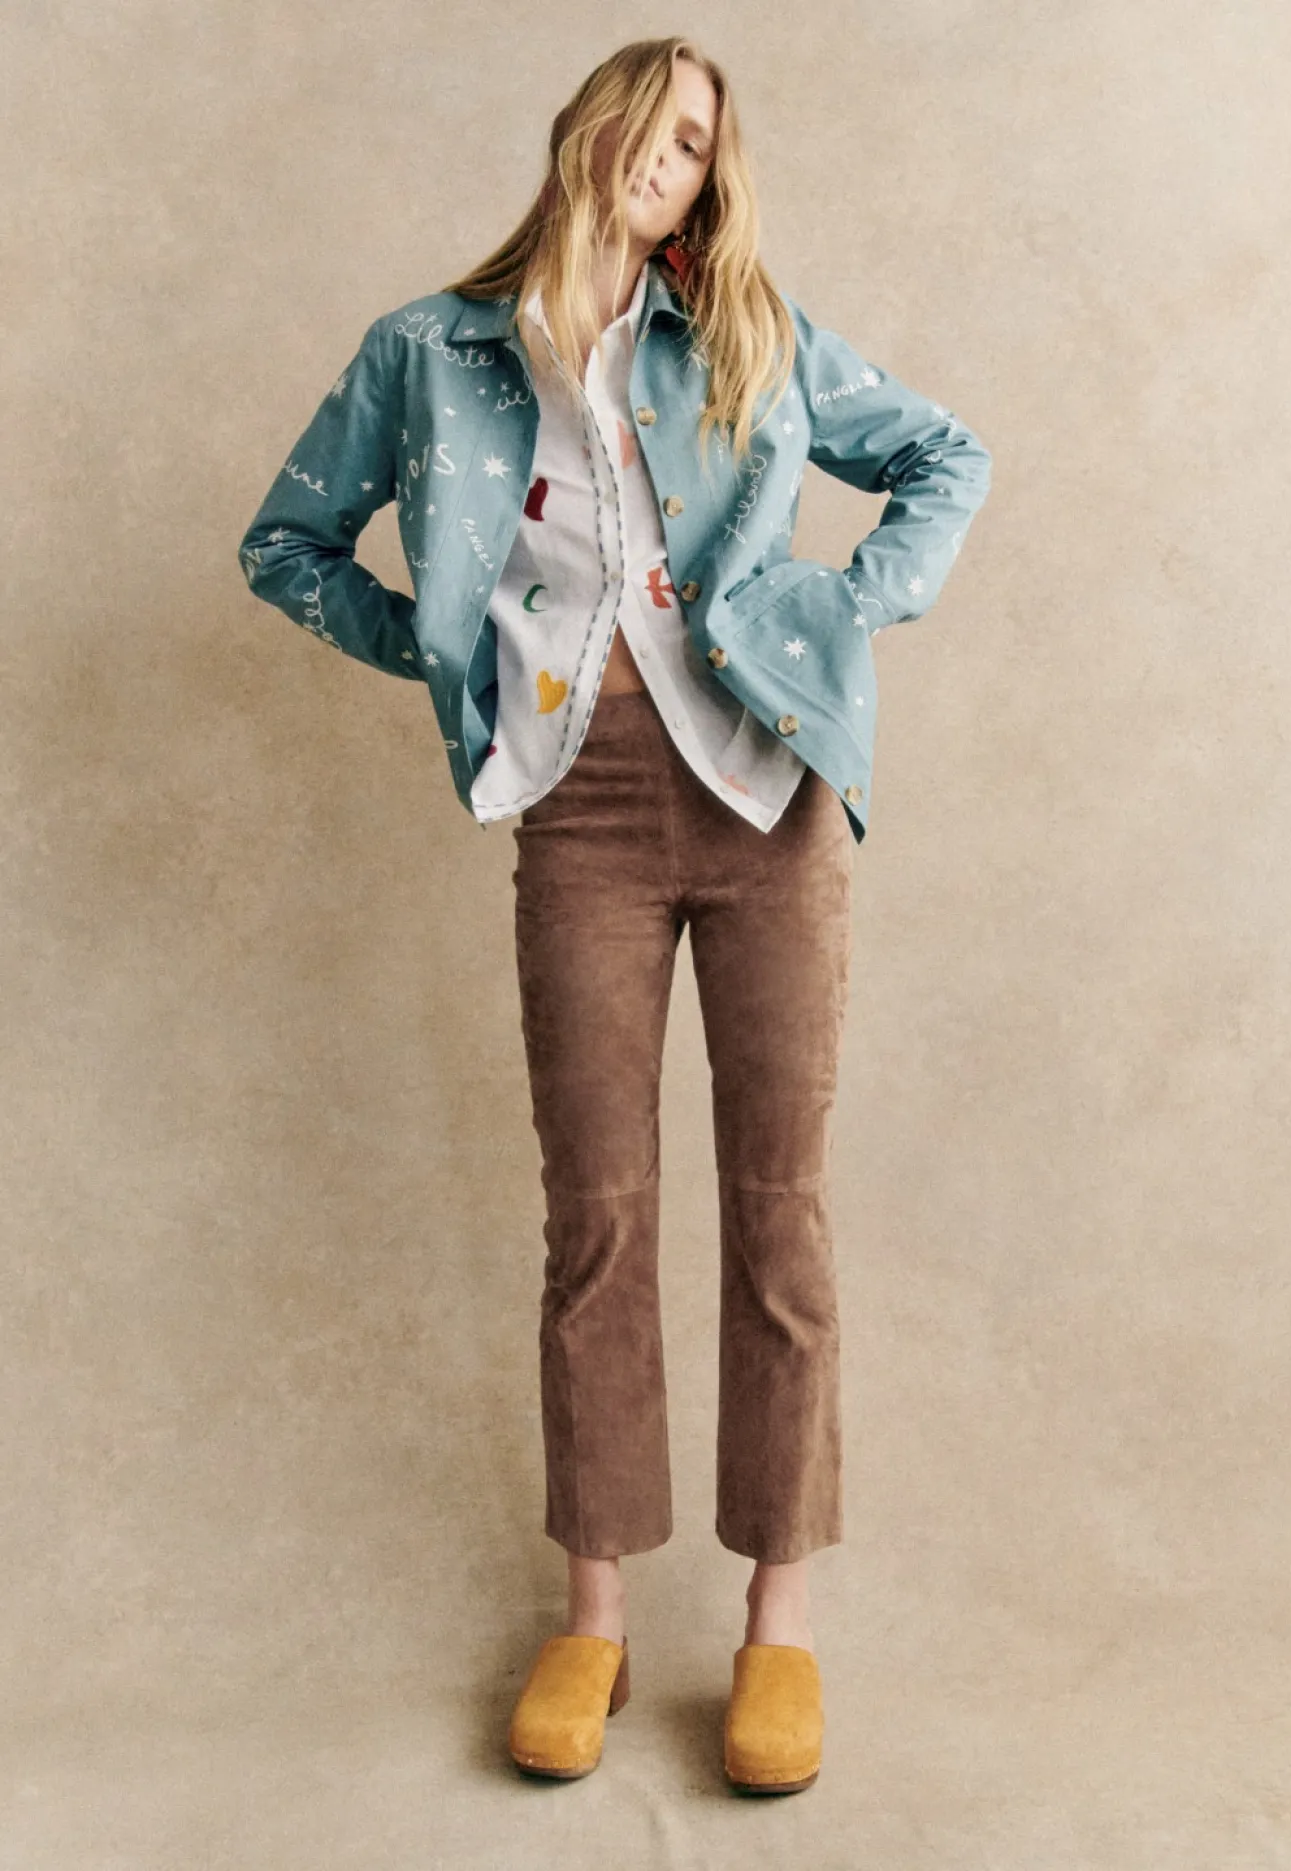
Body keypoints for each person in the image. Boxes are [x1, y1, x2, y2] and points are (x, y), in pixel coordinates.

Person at [237, 34, 991, 1794]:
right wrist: (453, 657)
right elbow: (287, 544)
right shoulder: (426, 352)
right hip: (575, 807)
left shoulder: (745, 328)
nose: (671, 160)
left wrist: (837, 608)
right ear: (586, 129)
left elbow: (941, 456)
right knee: (595, 1214)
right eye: (653, 127)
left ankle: (777, 1627)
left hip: (766, 798)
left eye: (700, 145)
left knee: (779, 1212)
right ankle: (592, 1618)